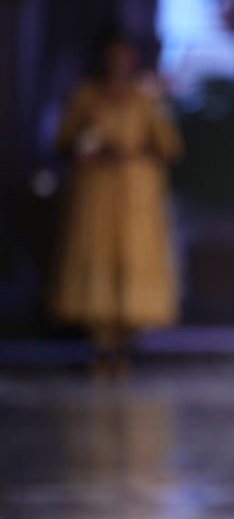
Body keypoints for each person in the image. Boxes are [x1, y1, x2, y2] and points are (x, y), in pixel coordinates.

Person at [49, 35, 183, 374]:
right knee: (95, 252)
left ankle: (125, 340)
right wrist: (91, 148)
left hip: (134, 195)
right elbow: (64, 141)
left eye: (124, 56)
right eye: (112, 55)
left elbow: (168, 145)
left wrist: (131, 151)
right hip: (96, 192)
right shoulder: (86, 96)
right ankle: (99, 341)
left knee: (131, 255)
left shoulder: (144, 99)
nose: (118, 62)